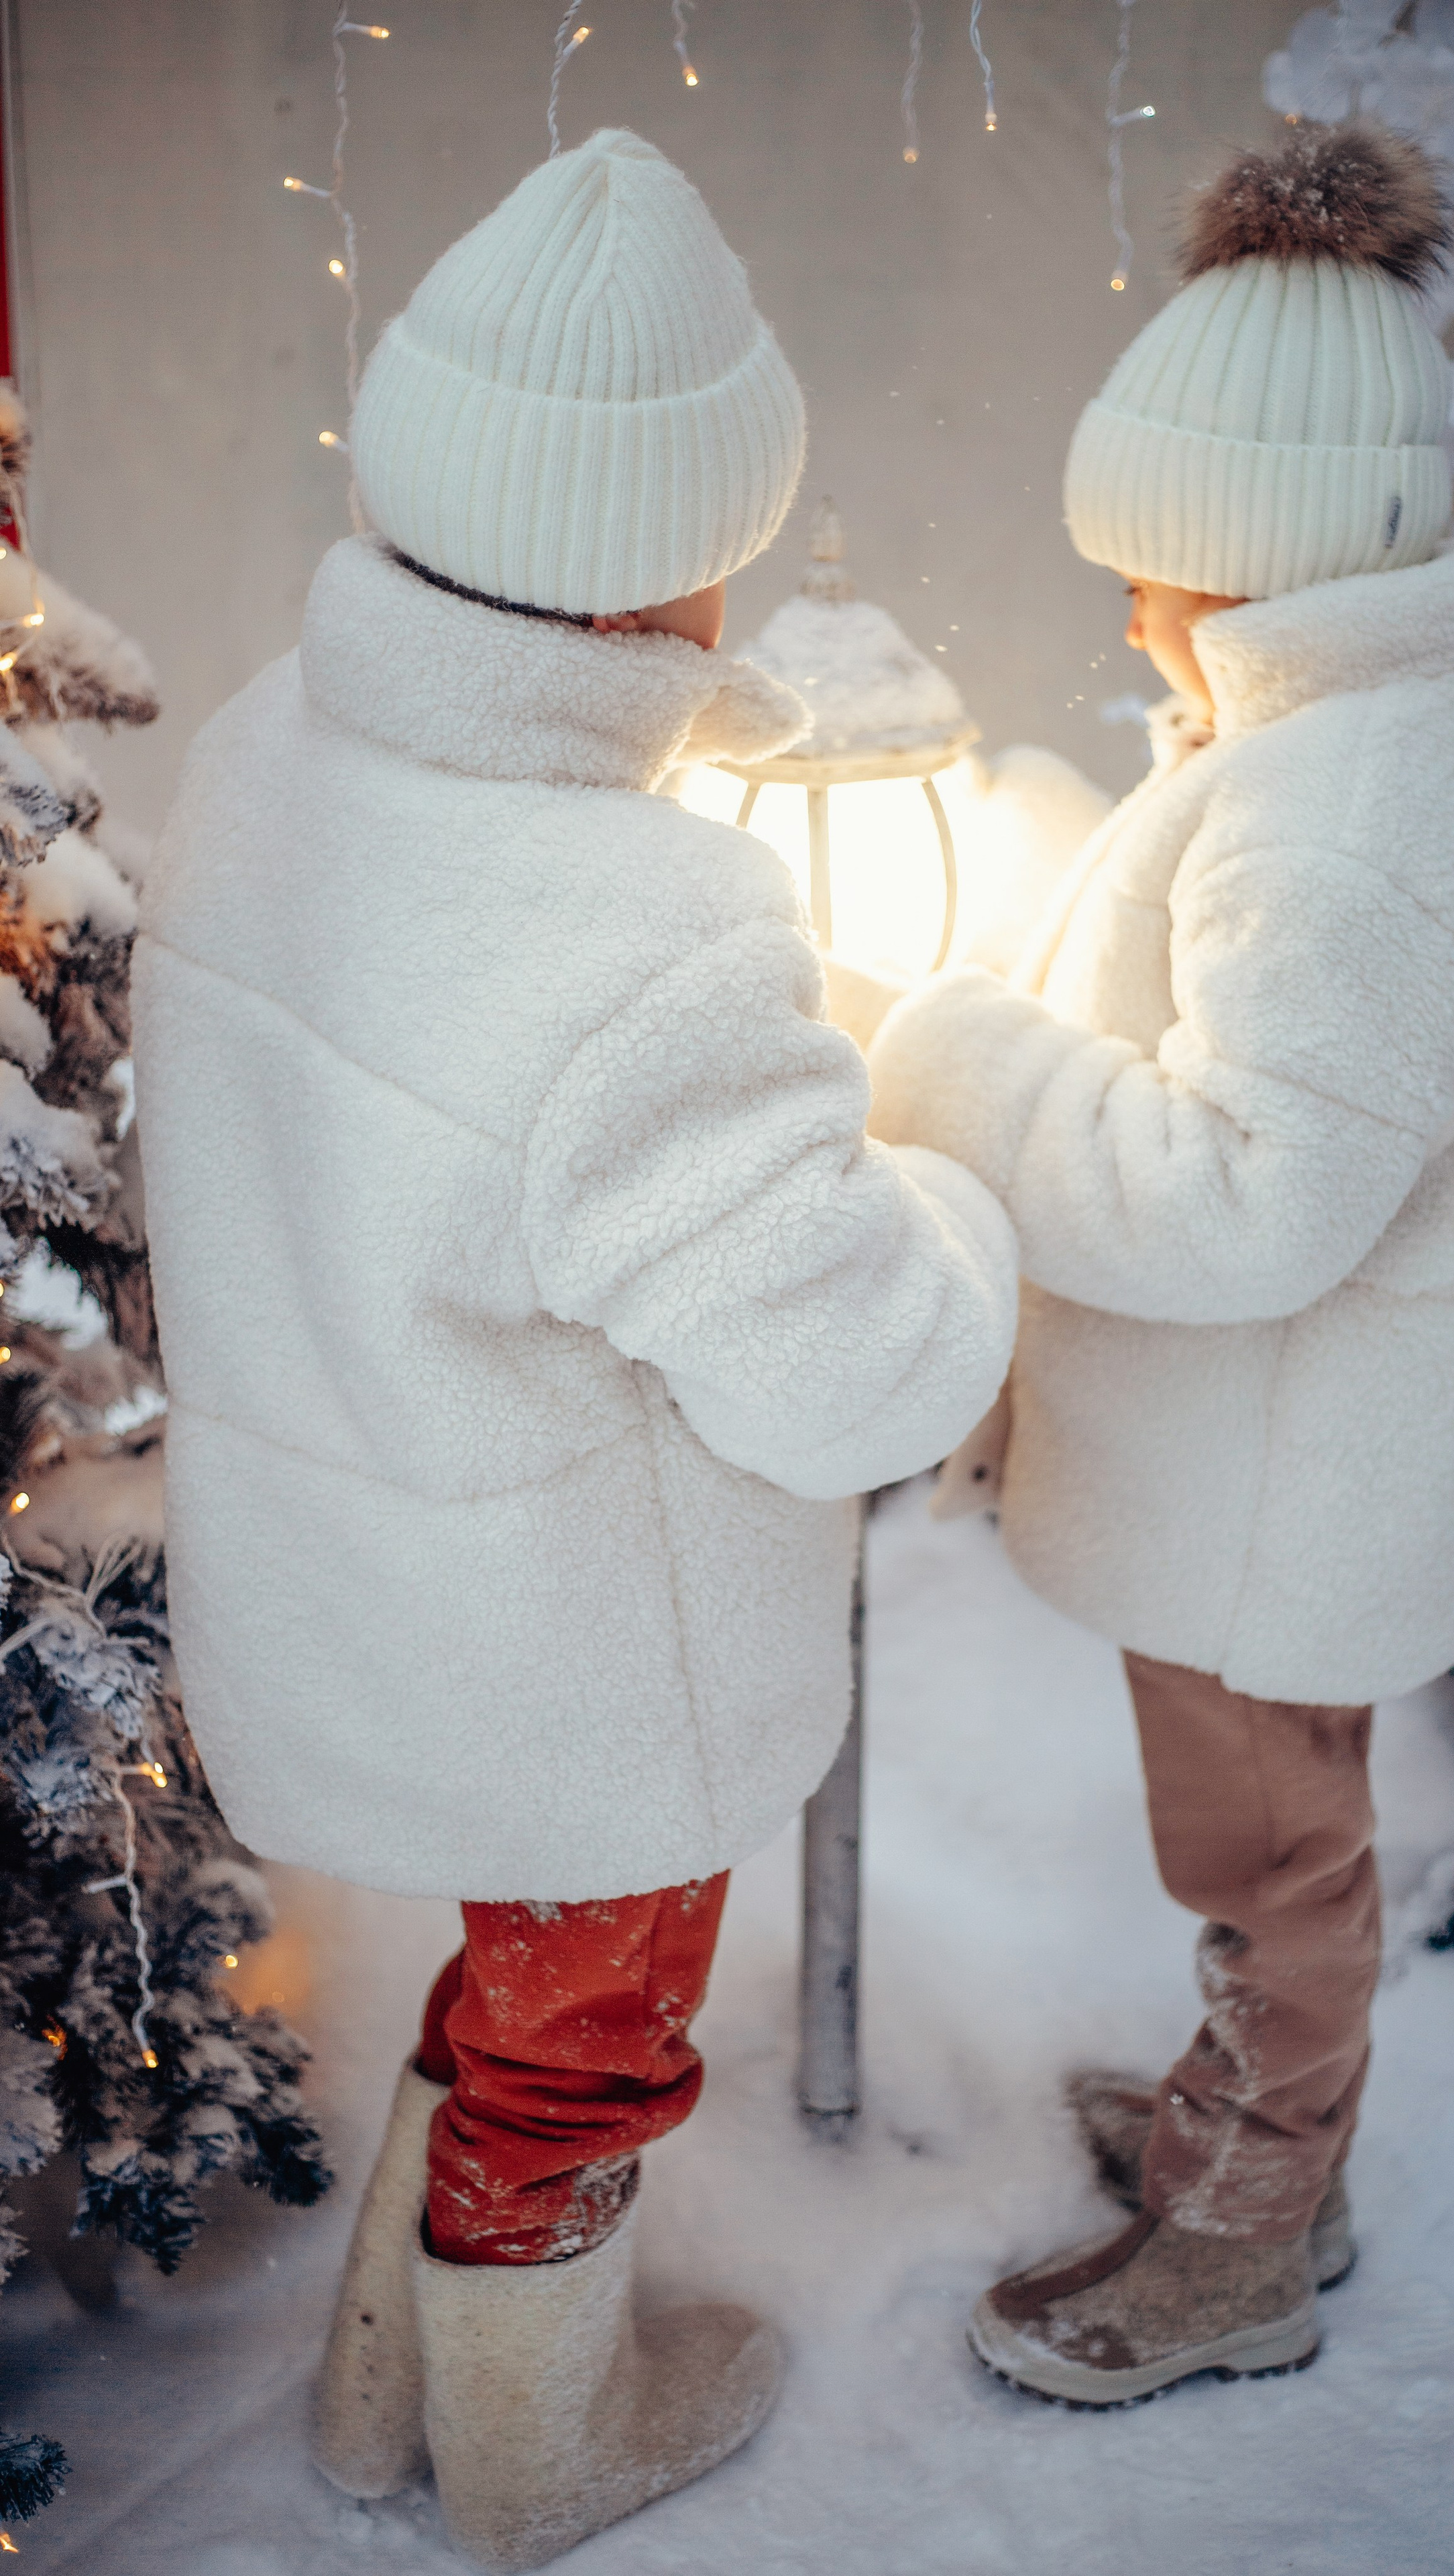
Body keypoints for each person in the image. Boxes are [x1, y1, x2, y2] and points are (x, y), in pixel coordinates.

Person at [131, 129, 1016, 2565]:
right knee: (586, 2029)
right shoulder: (641, 932)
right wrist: (939, 1189)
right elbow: (856, 1373)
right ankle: (538, 2452)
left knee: (513, 1986)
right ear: (678, 564)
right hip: (580, 1651)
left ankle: (382, 2386)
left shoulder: (262, 758)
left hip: (364, 1586)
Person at [850, 121, 1454, 2408]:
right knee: (1271, 1844)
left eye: (1152, 575)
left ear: (1256, 564)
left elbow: (1249, 1196)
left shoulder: (1347, 820)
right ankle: (1259, 2136)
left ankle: (1249, 2233)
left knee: (1272, 1858)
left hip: (1285, 1477)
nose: (1128, 615)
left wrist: (964, 1059)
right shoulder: (1327, 739)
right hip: (1285, 1458)